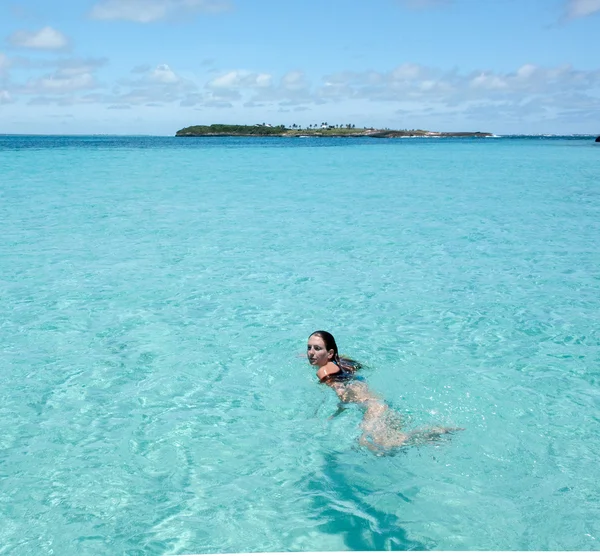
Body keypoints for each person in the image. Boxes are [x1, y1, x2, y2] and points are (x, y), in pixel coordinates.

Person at [307, 330, 461, 454]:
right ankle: (431, 434)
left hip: (372, 408)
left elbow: (340, 392)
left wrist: (332, 413)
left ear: (330, 353)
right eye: (309, 348)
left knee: (376, 447)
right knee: (391, 441)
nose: (311, 353)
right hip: (381, 403)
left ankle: (432, 433)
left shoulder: (324, 370)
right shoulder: (343, 363)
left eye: (317, 348)